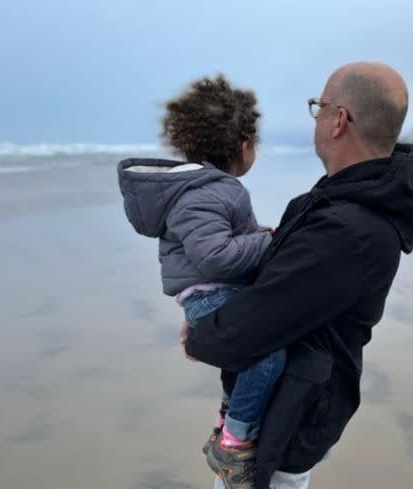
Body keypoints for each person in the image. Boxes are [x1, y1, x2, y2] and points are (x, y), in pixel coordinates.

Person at [181, 62, 413, 489]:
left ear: (338, 120)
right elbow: (274, 290)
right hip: (287, 399)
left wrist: (198, 335)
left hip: (290, 420)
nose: (315, 116)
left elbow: (255, 325)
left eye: (319, 106)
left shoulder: (349, 230)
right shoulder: (331, 199)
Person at [117, 75, 286, 487]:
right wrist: (269, 244)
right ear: (243, 145)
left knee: (249, 356)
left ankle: (229, 421)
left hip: (213, 292)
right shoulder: (211, 192)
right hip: (211, 294)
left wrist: (263, 238)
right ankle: (233, 443)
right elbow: (216, 257)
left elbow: (225, 242)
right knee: (267, 353)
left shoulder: (207, 190)